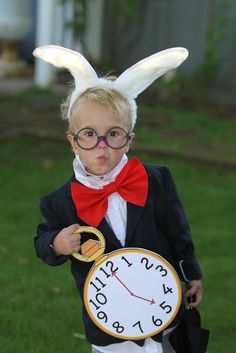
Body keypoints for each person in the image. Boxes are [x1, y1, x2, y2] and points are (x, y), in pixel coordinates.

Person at [34, 45, 202, 353]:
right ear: (73, 142)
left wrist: (190, 274)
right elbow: (41, 239)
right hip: (108, 321)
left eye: (113, 134)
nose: (102, 146)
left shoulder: (156, 181)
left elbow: (178, 232)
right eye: (89, 134)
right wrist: (56, 242)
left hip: (162, 306)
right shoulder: (60, 201)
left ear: (129, 139)